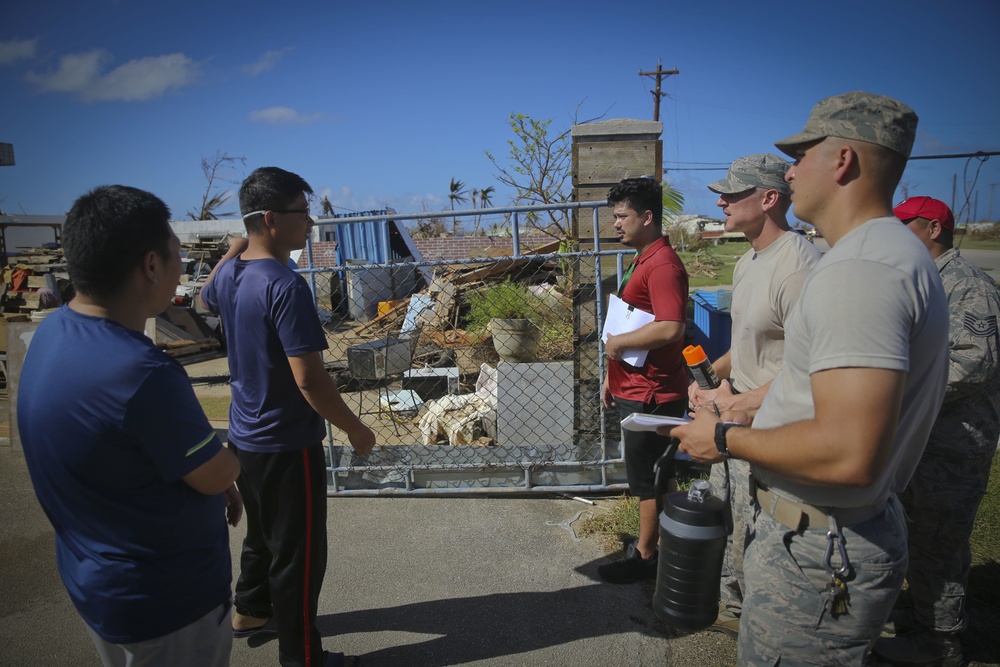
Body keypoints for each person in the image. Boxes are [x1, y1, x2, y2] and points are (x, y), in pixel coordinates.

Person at [665, 91, 949, 665]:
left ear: (843, 160)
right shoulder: (882, 254)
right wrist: (733, 403)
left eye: (802, 154)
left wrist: (721, 437)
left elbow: (849, 454)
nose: (791, 170)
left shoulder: (860, 271)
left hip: (822, 545)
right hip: (828, 534)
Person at [18, 185, 242, 666]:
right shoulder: (142, 373)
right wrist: (236, 453)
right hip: (166, 605)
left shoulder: (53, 332)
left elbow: (124, 448)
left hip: (97, 582)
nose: (181, 265)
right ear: (151, 265)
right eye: (177, 253)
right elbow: (218, 473)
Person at [200, 166, 375, 667]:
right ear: (272, 219)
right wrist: (355, 429)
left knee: (261, 533)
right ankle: (303, 658)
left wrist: (234, 248)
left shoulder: (233, 274)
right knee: (298, 555)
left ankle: (250, 611)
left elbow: (204, 295)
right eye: (302, 212)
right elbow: (311, 380)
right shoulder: (285, 285)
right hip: (285, 440)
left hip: (244, 436)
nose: (311, 221)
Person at [690, 153, 822, 637]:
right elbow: (747, 343)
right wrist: (709, 380)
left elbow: (811, 372)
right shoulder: (748, 260)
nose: (721, 201)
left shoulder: (799, 267)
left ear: (769, 199)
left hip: (771, 422)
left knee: (760, 527)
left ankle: (761, 620)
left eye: (732, 193)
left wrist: (738, 405)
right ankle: (731, 603)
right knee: (727, 516)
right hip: (736, 413)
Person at [872, 197, 1000, 666]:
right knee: (913, 533)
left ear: (931, 228)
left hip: (955, 444)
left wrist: (899, 390)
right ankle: (921, 614)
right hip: (919, 439)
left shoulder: (969, 286)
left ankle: (939, 644)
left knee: (940, 543)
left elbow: (975, 362)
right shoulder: (922, 281)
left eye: (904, 225)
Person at [598, 177, 689, 584]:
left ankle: (646, 555)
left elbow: (671, 328)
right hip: (636, 386)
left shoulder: (663, 265)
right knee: (658, 472)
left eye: (622, 216)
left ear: (647, 217)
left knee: (648, 479)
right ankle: (670, 545)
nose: (615, 224)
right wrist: (610, 375)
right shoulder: (643, 258)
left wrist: (618, 345)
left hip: (651, 393)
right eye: (615, 216)